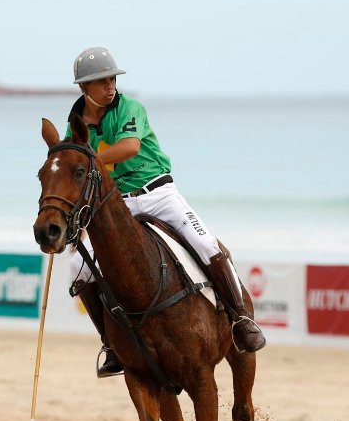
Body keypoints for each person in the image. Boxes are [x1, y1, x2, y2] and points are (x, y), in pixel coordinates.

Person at [65, 48, 265, 378]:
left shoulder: (130, 108)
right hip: (118, 204)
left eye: (112, 79)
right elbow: (76, 175)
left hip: (159, 193)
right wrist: (78, 222)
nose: (110, 86)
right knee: (78, 267)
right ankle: (111, 345)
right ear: (84, 87)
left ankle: (242, 320)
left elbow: (129, 147)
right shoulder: (75, 124)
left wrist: (86, 161)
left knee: (206, 244)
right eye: (101, 81)